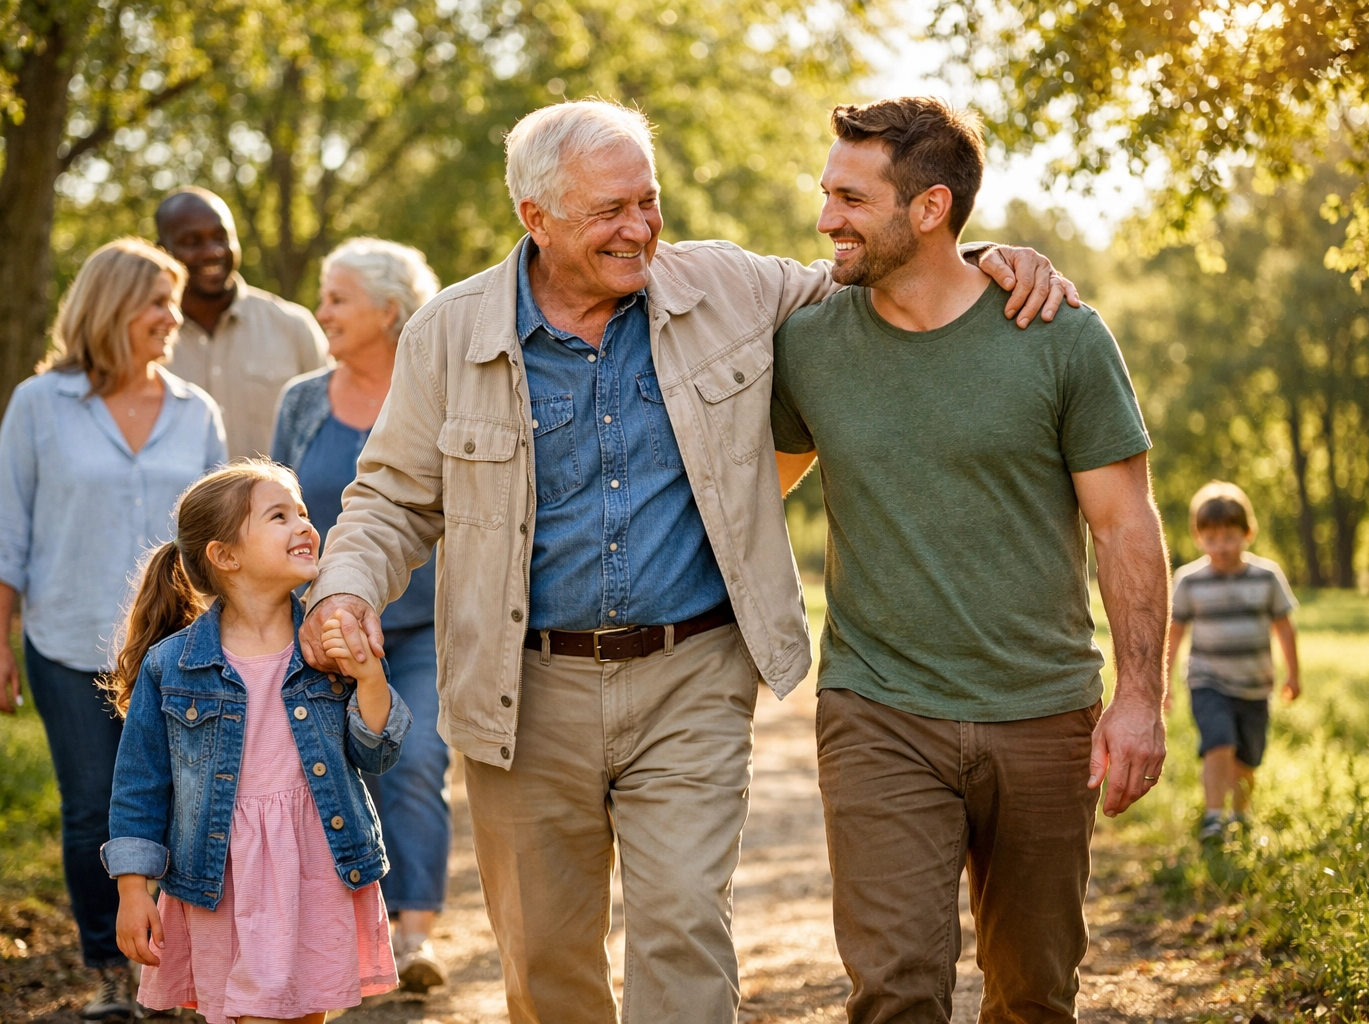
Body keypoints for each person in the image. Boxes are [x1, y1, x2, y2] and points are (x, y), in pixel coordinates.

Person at [297, 99, 1077, 1024]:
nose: (639, 230)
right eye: (608, 212)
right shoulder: (449, 333)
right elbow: (391, 498)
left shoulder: (730, 289)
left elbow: (884, 273)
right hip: (521, 685)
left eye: (647, 201)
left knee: (684, 931)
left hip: (691, 675)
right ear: (534, 219)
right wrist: (344, 588)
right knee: (547, 960)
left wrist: (986, 259)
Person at [769, 97, 1169, 1023]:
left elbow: (1126, 526)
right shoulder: (811, 343)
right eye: (827, 193)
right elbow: (756, 489)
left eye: (850, 199)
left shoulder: (1061, 336)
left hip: (1043, 711)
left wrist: (1142, 697)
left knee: (1033, 992)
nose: (827, 219)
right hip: (878, 710)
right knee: (896, 987)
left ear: (930, 207)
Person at [0, 238, 227, 1021]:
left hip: (179, 648)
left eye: (173, 303)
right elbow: (6, 534)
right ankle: (110, 967)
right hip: (68, 641)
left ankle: (177, 968)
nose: (171, 318)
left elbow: (221, 535)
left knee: (188, 808)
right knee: (93, 808)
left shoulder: (196, 410)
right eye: (156, 302)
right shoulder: (38, 405)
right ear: (110, 308)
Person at [100, 460, 413, 1023]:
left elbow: (376, 753)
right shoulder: (172, 666)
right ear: (226, 556)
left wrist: (369, 678)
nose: (304, 525)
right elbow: (140, 785)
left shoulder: (325, 646)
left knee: (303, 1016)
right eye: (278, 516)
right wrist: (132, 889)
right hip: (223, 878)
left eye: (302, 513)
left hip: (317, 868)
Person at [270, 237, 449, 991]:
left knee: (414, 759)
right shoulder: (303, 402)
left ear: (389, 309)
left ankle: (413, 940)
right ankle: (348, 938)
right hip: (323, 630)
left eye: (337, 298)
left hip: (426, 626)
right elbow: (274, 509)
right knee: (332, 776)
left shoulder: (439, 387)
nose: (322, 312)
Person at [1167, 481, 1300, 841]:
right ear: (1198, 537)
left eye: (1229, 536)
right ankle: (1213, 817)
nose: (1221, 546)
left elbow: (1285, 627)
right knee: (1218, 743)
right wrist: (1163, 683)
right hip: (1207, 680)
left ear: (1248, 533)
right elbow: (1174, 632)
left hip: (1256, 683)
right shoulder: (1189, 581)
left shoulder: (1267, 576)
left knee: (1247, 759)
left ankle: (1239, 816)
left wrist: (1294, 675)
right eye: (1211, 539)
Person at [158, 187, 329, 459]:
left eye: (221, 237)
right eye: (191, 241)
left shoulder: (293, 326)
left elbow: (330, 429)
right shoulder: (146, 338)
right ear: (161, 250)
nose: (212, 252)